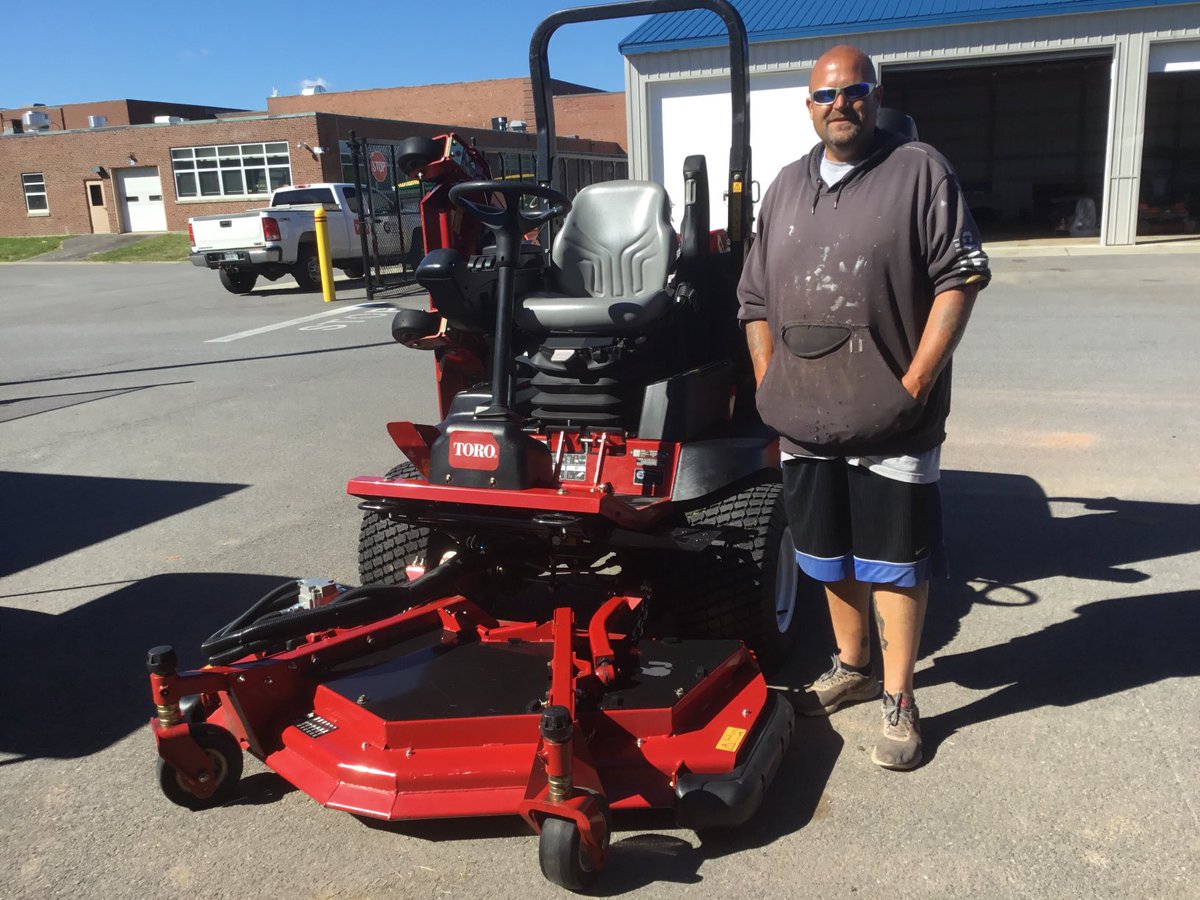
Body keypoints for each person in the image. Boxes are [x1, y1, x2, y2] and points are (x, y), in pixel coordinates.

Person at [737, 45, 991, 770]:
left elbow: (960, 279)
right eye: (825, 94)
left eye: (854, 91)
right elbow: (753, 298)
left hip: (893, 420)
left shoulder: (919, 170)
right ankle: (852, 666)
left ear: (875, 97)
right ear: (808, 105)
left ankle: (902, 699)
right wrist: (766, 377)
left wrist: (912, 385)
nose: (839, 104)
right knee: (826, 557)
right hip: (803, 417)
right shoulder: (785, 186)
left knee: (894, 564)